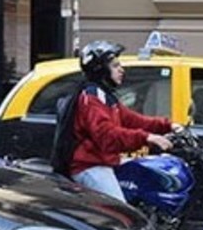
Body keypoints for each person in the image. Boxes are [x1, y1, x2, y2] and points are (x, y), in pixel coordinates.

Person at [68, 41, 178, 202]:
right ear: (100, 70)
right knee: (120, 212)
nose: (121, 70)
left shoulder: (106, 96)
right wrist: (147, 138)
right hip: (90, 166)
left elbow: (132, 119)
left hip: (106, 161)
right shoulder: (92, 98)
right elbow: (106, 136)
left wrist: (168, 125)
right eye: (115, 66)